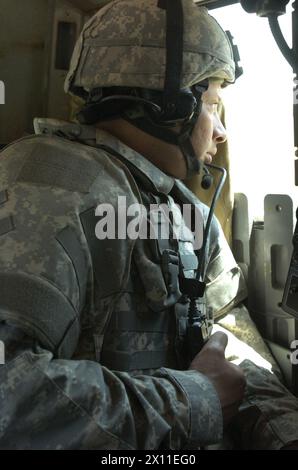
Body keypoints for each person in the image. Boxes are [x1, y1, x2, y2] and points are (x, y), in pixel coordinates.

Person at [0, 0, 298, 450]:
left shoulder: (186, 213)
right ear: (167, 105)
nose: (221, 131)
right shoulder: (49, 181)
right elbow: (9, 391)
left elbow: (228, 338)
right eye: (213, 103)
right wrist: (195, 401)